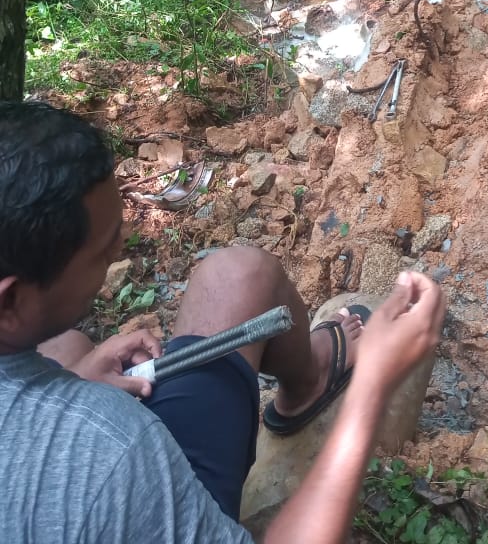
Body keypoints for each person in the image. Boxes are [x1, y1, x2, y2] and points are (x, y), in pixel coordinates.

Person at [0, 101, 446, 544]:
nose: (119, 249)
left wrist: (71, 380)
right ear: (10, 301)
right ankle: (315, 384)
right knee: (241, 276)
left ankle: (306, 380)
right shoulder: (114, 451)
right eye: (103, 251)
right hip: (119, 485)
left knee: (65, 347)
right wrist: (371, 386)